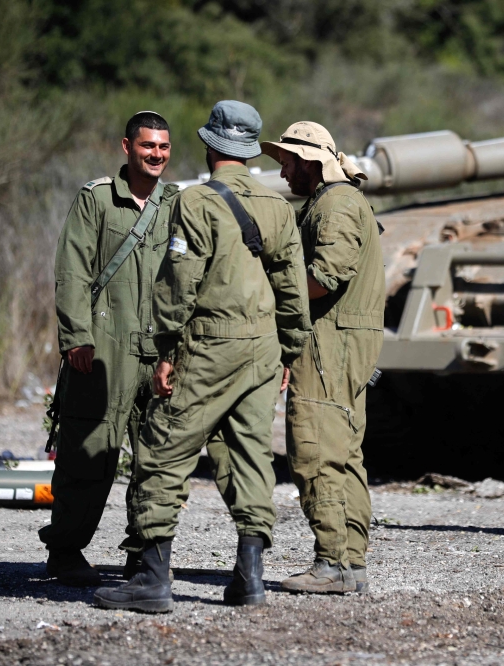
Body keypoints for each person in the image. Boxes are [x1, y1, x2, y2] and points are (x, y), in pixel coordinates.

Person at [93, 100, 310, 612]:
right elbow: (292, 288)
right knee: (250, 453)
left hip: (211, 344)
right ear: (251, 148)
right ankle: (250, 579)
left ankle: (150, 580)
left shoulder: (195, 202)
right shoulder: (278, 206)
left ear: (210, 144)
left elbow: (178, 285)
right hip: (263, 349)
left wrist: (167, 351)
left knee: (164, 446)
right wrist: (289, 352)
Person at [41, 112, 179, 586]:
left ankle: (145, 556)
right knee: (91, 451)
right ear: (127, 146)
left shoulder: (176, 204)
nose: (156, 154)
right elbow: (73, 269)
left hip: (159, 350)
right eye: (147, 146)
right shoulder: (97, 199)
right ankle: (64, 551)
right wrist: (76, 335)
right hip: (105, 348)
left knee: (157, 459)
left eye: (163, 146)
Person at [260, 122, 385, 594]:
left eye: (288, 162)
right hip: (339, 341)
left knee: (313, 448)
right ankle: (350, 564)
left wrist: (268, 290)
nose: (284, 171)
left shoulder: (334, 205)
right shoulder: (331, 202)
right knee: (343, 452)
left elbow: (323, 278)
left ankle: (331, 563)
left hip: (330, 343)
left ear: (311, 163)